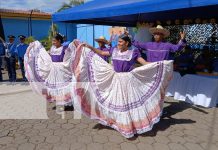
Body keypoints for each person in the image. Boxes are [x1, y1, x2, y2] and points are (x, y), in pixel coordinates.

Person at [70, 34, 173, 138]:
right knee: (117, 102)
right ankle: (120, 124)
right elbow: (101, 52)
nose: (118, 44)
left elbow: (145, 63)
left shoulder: (133, 52)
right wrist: (89, 47)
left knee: (128, 104)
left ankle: (131, 125)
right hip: (116, 80)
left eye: (120, 42)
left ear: (127, 43)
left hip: (128, 81)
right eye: (118, 42)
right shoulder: (114, 50)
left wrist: (161, 65)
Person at [25, 33, 76, 116]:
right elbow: (43, 52)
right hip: (53, 70)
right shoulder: (52, 48)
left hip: (61, 70)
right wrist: (31, 47)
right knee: (55, 88)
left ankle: (65, 103)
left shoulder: (64, 48)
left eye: (54, 41)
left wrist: (75, 42)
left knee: (62, 88)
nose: (53, 42)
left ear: (59, 41)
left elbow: (71, 51)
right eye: (52, 41)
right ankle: (60, 104)